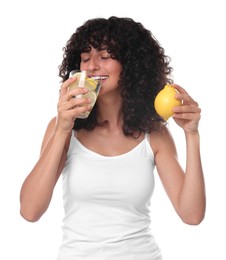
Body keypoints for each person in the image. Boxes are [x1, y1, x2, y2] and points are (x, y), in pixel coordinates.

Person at [20, 16, 206, 260]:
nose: (92, 66)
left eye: (104, 57)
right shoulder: (63, 129)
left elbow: (191, 215)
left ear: (130, 65)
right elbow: (30, 211)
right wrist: (63, 128)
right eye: (85, 58)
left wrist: (191, 134)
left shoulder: (155, 135)